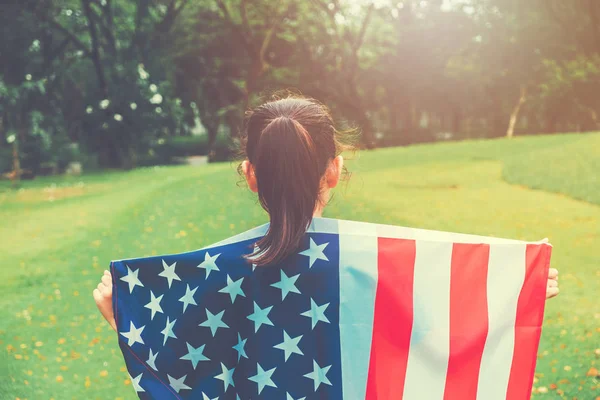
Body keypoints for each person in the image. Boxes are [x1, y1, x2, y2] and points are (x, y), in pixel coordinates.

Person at [94, 95, 559, 332]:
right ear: (334, 171)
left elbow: (186, 371)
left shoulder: (209, 277)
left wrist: (124, 320)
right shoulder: (386, 267)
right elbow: (437, 340)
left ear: (250, 174)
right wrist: (513, 288)